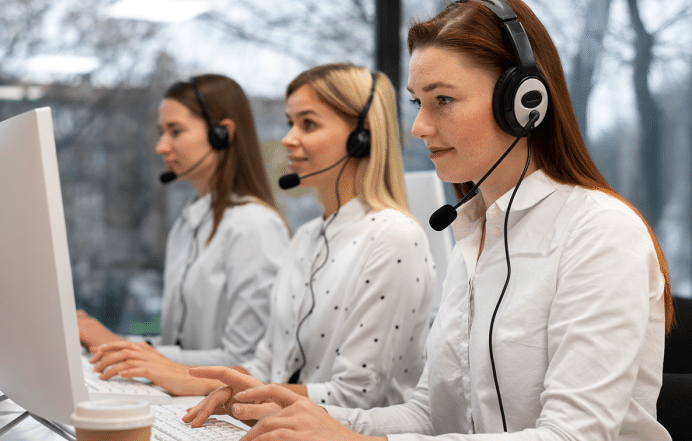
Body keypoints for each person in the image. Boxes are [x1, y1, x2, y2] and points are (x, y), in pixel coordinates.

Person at [181, 1, 675, 439]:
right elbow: (429, 418)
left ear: (524, 103)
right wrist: (290, 412)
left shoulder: (600, 232)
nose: (418, 126)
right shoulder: (475, 234)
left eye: (443, 100)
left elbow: (573, 436)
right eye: (418, 103)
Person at [89, 63, 436, 404]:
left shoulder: (394, 236)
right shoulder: (306, 237)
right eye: (290, 123)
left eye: (308, 124)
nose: (287, 139)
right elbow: (265, 366)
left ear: (362, 138)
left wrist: (186, 376)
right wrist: (204, 386)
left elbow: (356, 396)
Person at [77, 74, 289, 380]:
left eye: (175, 131)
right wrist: (122, 348)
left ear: (222, 134)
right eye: (161, 132)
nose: (161, 147)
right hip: (183, 398)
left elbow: (245, 361)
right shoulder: (189, 220)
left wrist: (120, 345)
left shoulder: (255, 226)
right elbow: (180, 347)